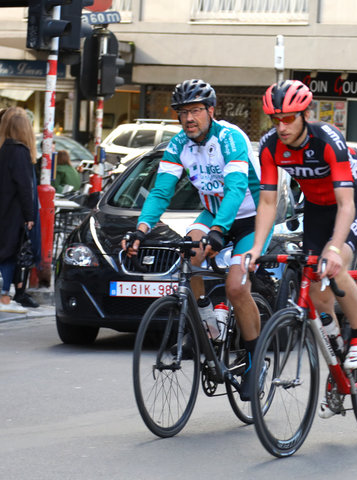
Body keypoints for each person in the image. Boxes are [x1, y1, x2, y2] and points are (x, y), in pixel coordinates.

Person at [121, 79, 264, 401]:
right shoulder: (178, 145)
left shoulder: (230, 138)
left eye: (196, 111)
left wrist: (219, 231)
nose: (189, 118)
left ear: (210, 111)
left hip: (250, 217)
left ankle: (256, 361)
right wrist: (140, 230)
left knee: (237, 287)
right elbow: (160, 192)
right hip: (214, 214)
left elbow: (237, 188)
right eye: (183, 112)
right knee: (189, 254)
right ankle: (209, 323)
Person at [245, 80, 357, 382]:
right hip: (316, 208)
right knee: (315, 288)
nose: (281, 126)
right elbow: (267, 201)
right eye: (275, 119)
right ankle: (336, 346)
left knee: (336, 264)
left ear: (305, 114)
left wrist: (334, 249)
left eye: (288, 118)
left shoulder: (327, 140)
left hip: (352, 202)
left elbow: (346, 205)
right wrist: (256, 247)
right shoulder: (270, 146)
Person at [0, 107, 37, 314]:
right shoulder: (20, 151)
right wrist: (30, 215)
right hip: (12, 210)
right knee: (8, 255)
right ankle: (4, 298)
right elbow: (25, 187)